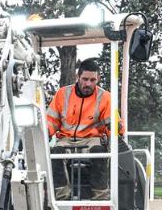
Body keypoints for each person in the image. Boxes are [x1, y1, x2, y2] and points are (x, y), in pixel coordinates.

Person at [45, 58, 122, 200]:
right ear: (77, 77)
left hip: (92, 139)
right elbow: (51, 121)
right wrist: (45, 133)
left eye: (93, 80)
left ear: (98, 78)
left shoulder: (105, 97)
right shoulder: (63, 94)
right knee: (55, 153)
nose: (88, 84)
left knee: (100, 153)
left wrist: (116, 132)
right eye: (85, 79)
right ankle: (62, 197)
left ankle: (101, 197)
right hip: (66, 139)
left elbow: (112, 123)